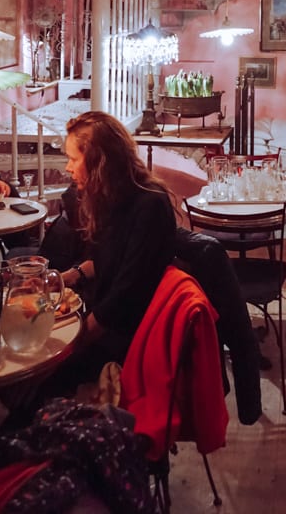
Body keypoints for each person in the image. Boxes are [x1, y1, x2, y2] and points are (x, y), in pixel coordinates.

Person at [58, 111, 177, 378]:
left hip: (129, 339)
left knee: (33, 373)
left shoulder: (150, 204)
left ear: (99, 161)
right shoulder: (113, 196)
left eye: (73, 159)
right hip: (106, 319)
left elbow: (124, 297)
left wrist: (72, 348)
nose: (68, 167)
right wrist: (63, 279)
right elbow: (105, 260)